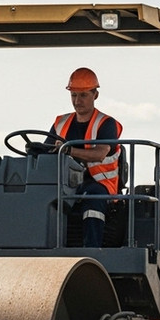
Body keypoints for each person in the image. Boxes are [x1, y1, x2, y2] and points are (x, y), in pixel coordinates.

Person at [50, 67, 123, 247]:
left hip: (100, 184)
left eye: (83, 95)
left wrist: (68, 150)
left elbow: (99, 154)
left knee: (93, 199)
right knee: (42, 195)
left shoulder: (106, 124)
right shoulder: (60, 123)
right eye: (74, 95)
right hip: (67, 183)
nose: (77, 101)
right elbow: (49, 150)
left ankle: (92, 250)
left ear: (95, 95)